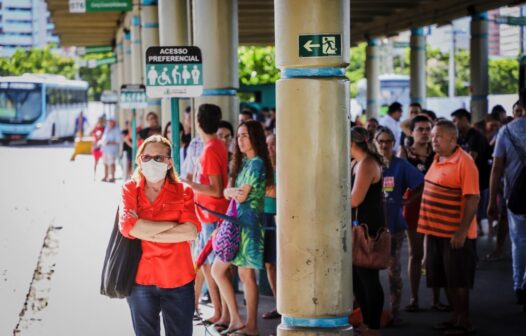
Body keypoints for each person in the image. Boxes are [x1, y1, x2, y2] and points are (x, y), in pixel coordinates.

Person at [119, 135, 200, 336]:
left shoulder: (184, 192)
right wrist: (173, 226)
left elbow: (190, 231)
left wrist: (145, 230)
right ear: (139, 160)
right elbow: (128, 227)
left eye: (158, 158)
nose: (152, 162)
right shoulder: (129, 189)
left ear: (169, 162)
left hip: (178, 280)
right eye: (146, 157)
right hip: (140, 281)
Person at [211, 120, 274, 336]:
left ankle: (246, 323)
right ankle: (242, 322)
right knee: (238, 274)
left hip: (248, 226)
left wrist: (230, 192)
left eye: (244, 135)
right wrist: (231, 192)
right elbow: (230, 192)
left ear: (255, 137)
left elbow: (240, 194)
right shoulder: (245, 163)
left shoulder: (256, 163)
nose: (240, 140)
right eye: (238, 136)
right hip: (239, 223)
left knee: (237, 274)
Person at [417, 120, 480, 335]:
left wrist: (461, 231)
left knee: (458, 279)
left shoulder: (465, 161)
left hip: (455, 233)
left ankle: (464, 321)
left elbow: (472, 198)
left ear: (452, 139)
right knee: (445, 278)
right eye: (432, 136)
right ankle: (456, 318)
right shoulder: (437, 158)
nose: (432, 139)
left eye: (438, 137)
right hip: (436, 231)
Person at [181, 104, 230, 327]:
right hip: (210, 214)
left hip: (212, 214)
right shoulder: (216, 145)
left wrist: (189, 184)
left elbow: (216, 189)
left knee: (211, 267)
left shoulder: (211, 149)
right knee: (208, 266)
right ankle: (220, 313)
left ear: (199, 122)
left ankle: (221, 313)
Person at [374, 126, 424, 325]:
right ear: (375, 143)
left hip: (394, 227)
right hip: (370, 229)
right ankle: (366, 311)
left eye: (388, 141)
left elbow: (422, 184)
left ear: (394, 143)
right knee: (366, 271)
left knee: (394, 271)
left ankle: (395, 312)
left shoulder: (401, 166)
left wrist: (408, 201)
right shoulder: (368, 164)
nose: (384, 145)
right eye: (381, 141)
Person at [399, 115, 449, 313]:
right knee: (415, 253)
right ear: (411, 132)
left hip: (436, 204)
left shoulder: (438, 153)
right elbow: (399, 178)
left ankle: (436, 299)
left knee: (434, 254)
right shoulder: (404, 153)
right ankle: (414, 298)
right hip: (413, 205)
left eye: (428, 129)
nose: (425, 133)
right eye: (420, 129)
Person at [487, 94, 526, 310]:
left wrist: (492, 200)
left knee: (519, 242)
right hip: (516, 196)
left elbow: (496, 169)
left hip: (516, 195)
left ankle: (518, 284)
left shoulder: (507, 131)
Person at [350, 126, 385, 336]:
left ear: (351, 143)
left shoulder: (367, 163)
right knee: (356, 279)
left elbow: (355, 199)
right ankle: (366, 321)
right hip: (359, 227)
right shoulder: (357, 162)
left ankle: (373, 326)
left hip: (369, 227)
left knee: (368, 278)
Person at [451, 108, 490, 236]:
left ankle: (477, 233)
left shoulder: (476, 136)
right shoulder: (461, 137)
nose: (454, 123)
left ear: (463, 119)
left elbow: (471, 158)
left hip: (480, 180)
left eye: (455, 120)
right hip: (465, 180)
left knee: (478, 208)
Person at [261, 133, 279, 321]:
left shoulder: (285, 166)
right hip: (264, 216)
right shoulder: (263, 167)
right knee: (269, 264)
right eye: (267, 145)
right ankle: (278, 303)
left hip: (281, 217)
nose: (270, 148)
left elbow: (274, 192)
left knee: (282, 263)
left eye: (273, 144)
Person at [100, 117, 122, 182]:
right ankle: (105, 176)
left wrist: (109, 142)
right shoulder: (107, 128)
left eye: (111, 121)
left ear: (114, 122)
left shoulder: (117, 130)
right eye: (109, 121)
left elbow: (118, 141)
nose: (109, 123)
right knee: (105, 163)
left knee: (112, 163)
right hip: (105, 149)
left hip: (112, 150)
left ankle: (112, 177)